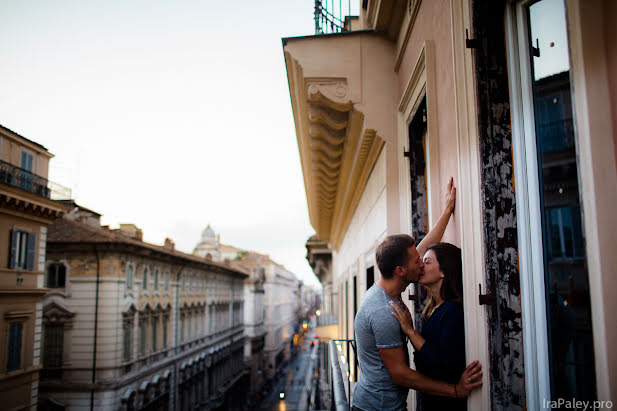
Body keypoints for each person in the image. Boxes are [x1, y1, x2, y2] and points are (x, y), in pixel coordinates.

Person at [352, 178, 482, 411]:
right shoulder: (384, 311)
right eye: (418, 261)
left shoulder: (392, 285)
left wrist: (447, 212)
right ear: (401, 271)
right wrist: (455, 390)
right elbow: (402, 376)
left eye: (425, 261)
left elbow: (424, 247)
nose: (421, 264)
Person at [390, 242, 467, 410]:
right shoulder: (431, 309)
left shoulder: (452, 311)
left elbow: (444, 366)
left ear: (443, 272)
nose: (421, 266)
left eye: (427, 262)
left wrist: (410, 331)